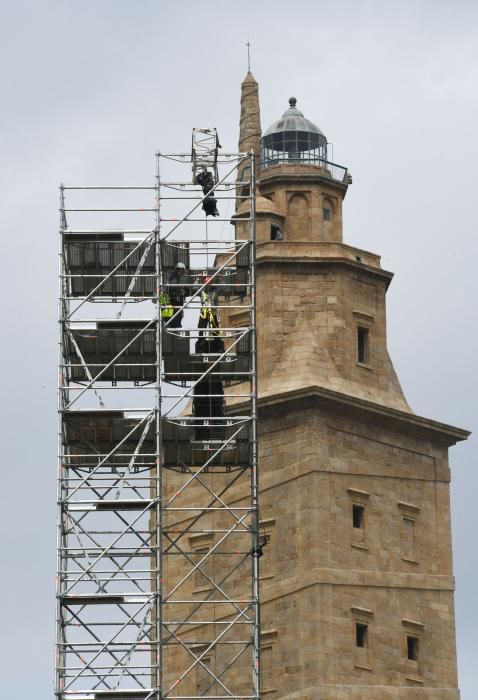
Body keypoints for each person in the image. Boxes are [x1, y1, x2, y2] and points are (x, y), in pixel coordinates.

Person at [164, 262, 190, 328]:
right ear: (180, 270)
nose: (183, 273)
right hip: (174, 302)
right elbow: (174, 286)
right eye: (183, 271)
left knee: (177, 318)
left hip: (174, 302)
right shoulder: (174, 276)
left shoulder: (175, 276)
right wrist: (182, 289)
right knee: (176, 320)